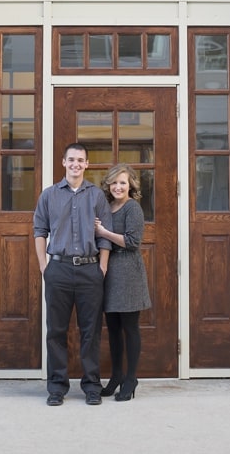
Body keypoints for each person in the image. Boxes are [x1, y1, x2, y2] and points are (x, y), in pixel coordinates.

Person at [33, 143, 112, 406]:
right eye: (71, 160)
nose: (76, 164)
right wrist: (45, 266)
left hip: (90, 270)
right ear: (63, 162)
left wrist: (101, 267)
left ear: (87, 164)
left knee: (91, 330)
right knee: (56, 330)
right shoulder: (49, 195)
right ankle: (56, 387)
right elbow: (39, 231)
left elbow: (105, 237)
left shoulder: (97, 196)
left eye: (80, 160)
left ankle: (91, 386)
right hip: (59, 269)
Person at [94, 163, 152, 402]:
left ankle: (131, 378)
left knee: (130, 328)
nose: (118, 187)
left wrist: (104, 233)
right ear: (108, 184)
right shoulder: (107, 207)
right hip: (109, 273)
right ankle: (116, 376)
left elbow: (132, 241)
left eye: (123, 183)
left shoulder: (133, 208)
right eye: (114, 182)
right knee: (114, 330)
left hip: (128, 272)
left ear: (131, 186)